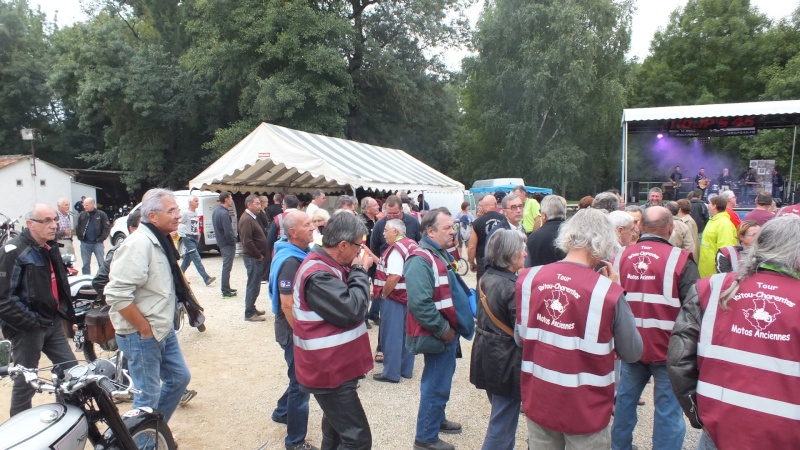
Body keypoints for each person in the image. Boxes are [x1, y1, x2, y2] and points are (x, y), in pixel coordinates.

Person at [667, 215, 800, 449]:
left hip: (718, 427)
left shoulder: (712, 287)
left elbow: (679, 359)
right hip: (785, 434)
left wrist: (697, 414)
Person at [517, 208, 642, 449]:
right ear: (605, 242)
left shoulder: (530, 279)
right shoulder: (607, 291)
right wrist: (616, 289)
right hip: (586, 409)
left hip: (539, 399)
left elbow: (520, 338)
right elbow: (633, 352)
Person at [610, 206, 699, 450]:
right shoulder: (680, 260)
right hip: (669, 349)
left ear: (640, 227)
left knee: (625, 404)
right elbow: (694, 310)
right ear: (670, 228)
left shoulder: (620, 257)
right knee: (668, 411)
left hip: (630, 347)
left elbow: (610, 303)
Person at [93, 210, 197, 407]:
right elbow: (116, 293)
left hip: (162, 328)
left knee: (179, 378)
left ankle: (154, 432)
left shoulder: (161, 241)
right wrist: (144, 329)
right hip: (142, 333)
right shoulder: (138, 244)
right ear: (153, 216)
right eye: (171, 210)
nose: (178, 215)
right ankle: (143, 438)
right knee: (148, 395)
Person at [293, 212, 374, 450]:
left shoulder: (329, 265)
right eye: (358, 246)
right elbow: (353, 310)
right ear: (343, 245)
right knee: (357, 440)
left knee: (337, 432)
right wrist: (359, 270)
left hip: (334, 368)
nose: (360, 252)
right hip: (329, 371)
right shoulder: (318, 274)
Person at [405, 208, 475, 450]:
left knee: (441, 381)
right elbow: (419, 304)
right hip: (438, 334)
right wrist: (444, 329)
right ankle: (425, 438)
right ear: (430, 231)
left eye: (452, 227)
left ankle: (436, 420)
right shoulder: (420, 259)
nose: (453, 231)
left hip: (446, 332)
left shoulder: (439, 253)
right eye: (447, 228)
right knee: (435, 383)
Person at [0, 204, 77, 416]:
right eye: (47, 221)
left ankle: (68, 419)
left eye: (55, 220)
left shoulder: (48, 247)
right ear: (30, 224)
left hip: (52, 323)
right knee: (26, 383)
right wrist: (32, 322)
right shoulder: (13, 251)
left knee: (72, 374)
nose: (54, 225)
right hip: (27, 329)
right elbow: (3, 299)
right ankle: (19, 434)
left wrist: (63, 313)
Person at [469, 229, 526, 450]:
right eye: (522, 249)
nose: (525, 254)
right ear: (511, 254)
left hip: (487, 352)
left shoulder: (486, 277)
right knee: (502, 423)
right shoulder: (512, 287)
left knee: (504, 417)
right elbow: (522, 335)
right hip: (506, 358)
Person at [268, 211, 318, 450]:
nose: (312, 227)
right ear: (293, 233)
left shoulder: (299, 253)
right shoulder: (290, 261)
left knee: (296, 376)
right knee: (301, 384)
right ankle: (295, 442)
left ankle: (281, 412)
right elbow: (287, 304)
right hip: (292, 331)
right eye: (307, 224)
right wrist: (302, 335)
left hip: (293, 329)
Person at [372, 219, 418, 383]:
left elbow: (394, 276)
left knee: (391, 335)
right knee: (407, 333)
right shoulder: (410, 243)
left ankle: (391, 372)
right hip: (408, 295)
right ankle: (405, 369)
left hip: (394, 297)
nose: (383, 234)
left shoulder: (396, 250)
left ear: (395, 232)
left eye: (386, 230)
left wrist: (384, 294)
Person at [369, 195, 422, 325]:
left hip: (406, 283)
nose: (391, 216)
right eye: (389, 214)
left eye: (395, 214)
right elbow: (374, 251)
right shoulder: (380, 226)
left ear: (402, 210)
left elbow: (419, 245)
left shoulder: (413, 223)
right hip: (386, 279)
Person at [239, 194, 268, 322]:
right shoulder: (246, 219)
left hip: (255, 257)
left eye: (260, 204)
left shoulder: (252, 217)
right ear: (249, 204)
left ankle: (252, 307)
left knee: (255, 285)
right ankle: (249, 313)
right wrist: (258, 254)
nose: (259, 206)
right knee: (253, 284)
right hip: (252, 257)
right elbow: (247, 241)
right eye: (257, 203)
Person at [179, 195, 216, 286]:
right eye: (196, 201)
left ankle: (179, 277)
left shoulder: (195, 213)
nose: (198, 202)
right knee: (196, 258)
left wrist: (198, 233)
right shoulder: (185, 213)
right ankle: (206, 278)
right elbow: (179, 223)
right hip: (188, 238)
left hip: (195, 237)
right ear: (190, 202)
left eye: (198, 201)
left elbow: (195, 224)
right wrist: (183, 234)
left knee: (187, 259)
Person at [698, 196, 738, 277]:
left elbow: (726, 250)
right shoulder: (713, 220)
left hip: (714, 272)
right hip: (707, 269)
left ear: (714, 206)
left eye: (710, 203)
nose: (708, 205)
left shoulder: (724, 224)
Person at [468, 195, 504, 284]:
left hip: (483, 261)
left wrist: (471, 263)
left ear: (483, 206)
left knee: (482, 288)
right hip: (502, 259)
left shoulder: (477, 222)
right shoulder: (505, 220)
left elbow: (472, 246)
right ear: (495, 204)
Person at [524, 195, 567, 267]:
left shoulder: (534, 238)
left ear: (544, 216)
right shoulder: (574, 234)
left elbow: (527, 265)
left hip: (541, 276)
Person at [76, 197, 111, 275]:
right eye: (84, 205)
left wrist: (102, 238)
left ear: (93, 204)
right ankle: (86, 279)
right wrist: (80, 237)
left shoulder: (101, 214)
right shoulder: (82, 214)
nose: (84, 207)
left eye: (86, 205)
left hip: (97, 243)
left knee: (101, 262)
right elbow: (77, 226)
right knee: (85, 264)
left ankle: (102, 278)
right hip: (85, 243)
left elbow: (107, 226)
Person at [212, 192, 238, 298]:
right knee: (227, 267)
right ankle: (225, 290)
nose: (231, 200)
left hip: (221, 242)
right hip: (227, 243)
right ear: (226, 199)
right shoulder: (224, 213)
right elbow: (228, 231)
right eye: (231, 198)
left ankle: (226, 287)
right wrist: (233, 240)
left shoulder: (216, 211)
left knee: (226, 266)